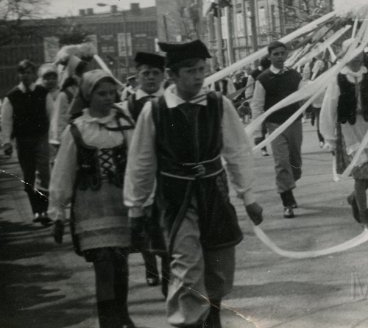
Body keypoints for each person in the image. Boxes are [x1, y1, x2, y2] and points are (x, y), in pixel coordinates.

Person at [123, 40, 263, 328]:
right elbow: (141, 162)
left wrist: (248, 197)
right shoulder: (156, 111)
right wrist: (136, 208)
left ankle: (212, 316)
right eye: (190, 70)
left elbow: (237, 151)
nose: (198, 76)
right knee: (187, 267)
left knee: (219, 269)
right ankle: (188, 322)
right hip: (176, 200)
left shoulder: (218, 105)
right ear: (172, 75)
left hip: (214, 193)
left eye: (201, 69)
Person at [49, 70, 138, 327]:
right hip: (91, 210)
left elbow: (138, 163)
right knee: (104, 268)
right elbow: (63, 172)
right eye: (102, 93)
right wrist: (57, 211)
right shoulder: (77, 129)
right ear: (88, 96)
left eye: (112, 92)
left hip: (121, 207)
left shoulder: (124, 124)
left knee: (120, 266)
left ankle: (121, 313)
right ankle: (108, 321)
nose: (109, 98)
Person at [319, 39, 368, 230]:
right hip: (348, 131)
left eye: (361, 53)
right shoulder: (338, 78)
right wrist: (329, 137)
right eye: (353, 53)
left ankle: (354, 197)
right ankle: (364, 218)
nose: (358, 57)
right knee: (361, 176)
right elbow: (329, 107)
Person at [125, 51, 170, 296]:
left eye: (155, 73)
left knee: (165, 224)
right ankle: (150, 266)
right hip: (140, 171)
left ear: (163, 76)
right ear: (137, 77)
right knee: (143, 223)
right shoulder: (127, 106)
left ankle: (166, 270)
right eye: (145, 73)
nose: (150, 78)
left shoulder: (170, 101)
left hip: (165, 171)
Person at [251, 40, 304, 218]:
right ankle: (287, 201)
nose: (280, 57)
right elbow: (257, 106)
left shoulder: (295, 75)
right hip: (275, 125)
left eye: (282, 53)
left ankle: (290, 185)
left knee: (295, 162)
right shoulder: (263, 79)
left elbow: (305, 94)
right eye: (276, 54)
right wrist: (258, 133)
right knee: (281, 162)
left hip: (295, 123)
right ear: (269, 56)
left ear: (287, 54)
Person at [1, 60, 53, 225]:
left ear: (34, 74)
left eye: (29, 72)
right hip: (23, 141)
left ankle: (45, 209)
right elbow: (6, 121)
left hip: (41, 138)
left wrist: (54, 138)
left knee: (44, 173)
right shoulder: (12, 96)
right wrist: (6, 142)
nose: (26, 76)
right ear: (19, 74)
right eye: (23, 72)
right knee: (29, 176)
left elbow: (51, 116)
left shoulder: (43, 92)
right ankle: (37, 211)